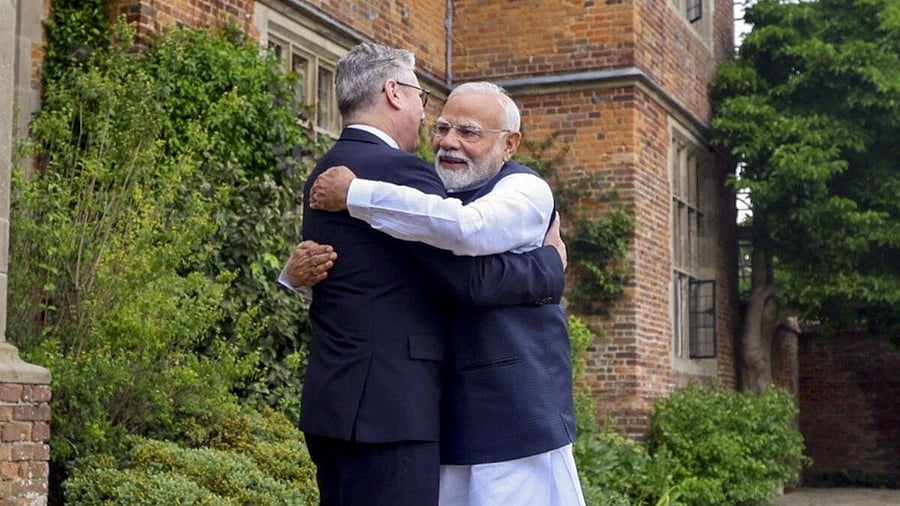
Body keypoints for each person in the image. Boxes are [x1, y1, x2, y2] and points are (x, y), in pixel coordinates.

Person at [280, 44, 567, 506]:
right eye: (432, 112)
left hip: (335, 404)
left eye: (468, 131)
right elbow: (466, 276)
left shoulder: (327, 167)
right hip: (392, 411)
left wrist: (292, 276)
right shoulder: (404, 174)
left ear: (509, 143)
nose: (438, 131)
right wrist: (550, 266)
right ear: (394, 92)